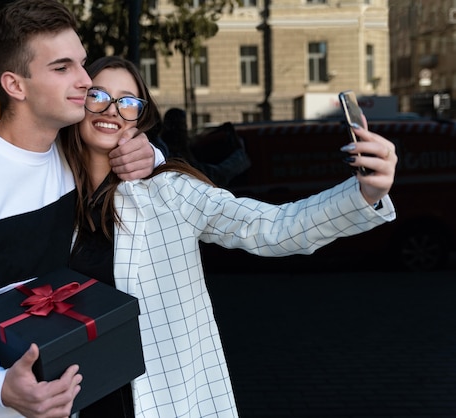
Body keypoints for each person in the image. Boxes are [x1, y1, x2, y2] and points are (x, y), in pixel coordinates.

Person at [60, 56, 397, 417]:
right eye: (99, 94)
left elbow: (271, 227)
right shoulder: (51, 192)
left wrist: (364, 194)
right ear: (79, 99)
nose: (111, 109)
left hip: (159, 398)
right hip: (82, 398)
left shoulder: (170, 192)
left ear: (140, 119)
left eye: (127, 101)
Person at [0, 1, 164, 418]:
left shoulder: (71, 156)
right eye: (62, 68)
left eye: (82, 63)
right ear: (15, 86)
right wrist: (0, 386)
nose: (84, 80)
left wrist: (150, 156)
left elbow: (137, 159)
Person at [159, 107, 251, 187]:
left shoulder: (171, 151)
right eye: (182, 127)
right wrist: (239, 159)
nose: (184, 132)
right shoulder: (172, 156)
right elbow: (213, 176)